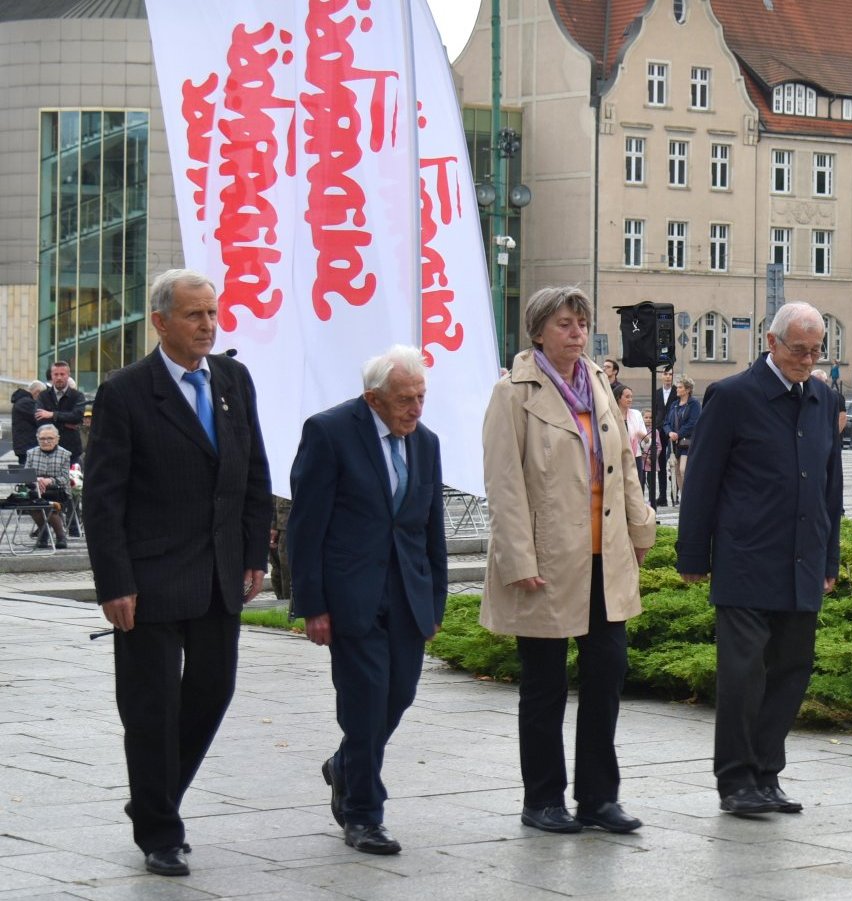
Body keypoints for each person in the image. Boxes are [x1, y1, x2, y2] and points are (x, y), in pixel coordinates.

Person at [83, 269, 272, 878]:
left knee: (213, 692)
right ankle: (161, 830)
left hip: (219, 573)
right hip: (150, 579)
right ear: (161, 321)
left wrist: (253, 553)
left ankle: (152, 797)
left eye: (213, 314)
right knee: (151, 707)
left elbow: (254, 473)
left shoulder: (234, 381)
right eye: (195, 316)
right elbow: (103, 498)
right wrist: (114, 583)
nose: (208, 326)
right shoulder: (126, 392)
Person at [481, 286, 656, 835]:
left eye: (581, 322)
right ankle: (543, 799)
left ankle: (600, 798)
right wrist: (517, 558)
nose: (577, 332)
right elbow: (504, 484)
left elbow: (623, 463)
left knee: (607, 676)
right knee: (545, 685)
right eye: (564, 323)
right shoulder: (513, 393)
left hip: (605, 559)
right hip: (547, 561)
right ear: (537, 332)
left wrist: (640, 524)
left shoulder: (599, 386)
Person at [676, 301, 843, 817]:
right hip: (746, 558)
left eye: (816, 351)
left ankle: (767, 773)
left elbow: (830, 487)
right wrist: (691, 554)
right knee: (744, 675)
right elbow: (701, 481)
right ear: (771, 343)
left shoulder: (823, 397)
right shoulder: (731, 396)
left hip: (802, 559)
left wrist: (830, 560)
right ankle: (735, 779)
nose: (808, 360)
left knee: (792, 670)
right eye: (799, 350)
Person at [287, 345, 448, 856]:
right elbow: (305, 527)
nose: (415, 408)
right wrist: (311, 604)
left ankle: (346, 764)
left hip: (408, 595)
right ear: (373, 398)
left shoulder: (426, 443)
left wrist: (436, 601)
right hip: (351, 597)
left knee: (398, 695)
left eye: (421, 397)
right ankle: (363, 814)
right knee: (364, 701)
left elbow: (430, 530)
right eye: (405, 399)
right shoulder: (329, 432)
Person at [22, 424, 71, 549]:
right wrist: (36, 480)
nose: (46, 441)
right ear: (38, 439)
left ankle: (60, 536)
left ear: (57, 439)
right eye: (42, 439)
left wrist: (49, 480)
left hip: (58, 490)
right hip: (36, 490)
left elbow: (65, 478)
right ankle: (43, 534)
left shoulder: (65, 454)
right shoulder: (31, 453)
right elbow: (26, 475)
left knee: (49, 506)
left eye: (50, 438)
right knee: (33, 505)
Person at [36, 360, 88, 466]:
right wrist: (66, 421)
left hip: (71, 449)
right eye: (56, 374)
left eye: (62, 374)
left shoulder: (78, 396)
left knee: (73, 480)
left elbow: (77, 416)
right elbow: (39, 418)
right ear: (51, 375)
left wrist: (52, 415)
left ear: (68, 375)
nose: (59, 377)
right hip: (47, 449)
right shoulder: (43, 396)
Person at [666, 376, 701, 493]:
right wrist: (670, 432)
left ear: (687, 390)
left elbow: (693, 423)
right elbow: (666, 422)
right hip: (674, 444)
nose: (677, 389)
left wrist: (678, 434)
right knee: (676, 472)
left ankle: (691, 495)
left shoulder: (694, 404)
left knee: (683, 470)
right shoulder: (674, 404)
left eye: (680, 387)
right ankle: (683, 498)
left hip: (688, 442)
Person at [652, 368, 677, 508]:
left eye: (670, 374)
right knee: (660, 464)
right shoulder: (656, 393)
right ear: (661, 376)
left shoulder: (677, 392)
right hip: (659, 431)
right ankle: (662, 496)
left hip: (673, 431)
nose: (668, 377)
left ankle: (675, 494)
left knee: (675, 463)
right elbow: (655, 411)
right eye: (665, 374)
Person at [621, 385, 650, 496]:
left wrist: (645, 438)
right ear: (619, 398)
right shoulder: (613, 414)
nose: (630, 399)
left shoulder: (636, 414)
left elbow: (645, 441)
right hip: (619, 456)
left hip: (635, 456)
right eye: (627, 397)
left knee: (637, 486)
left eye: (631, 397)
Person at [10, 380, 44, 462]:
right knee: (28, 473)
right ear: (37, 392)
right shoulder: (26, 403)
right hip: (27, 447)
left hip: (25, 446)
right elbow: (39, 418)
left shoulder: (22, 401)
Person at [813, 369, 847, 434]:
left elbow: (842, 418)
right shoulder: (810, 395)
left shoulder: (836, 396)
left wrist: (832, 436)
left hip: (831, 440)